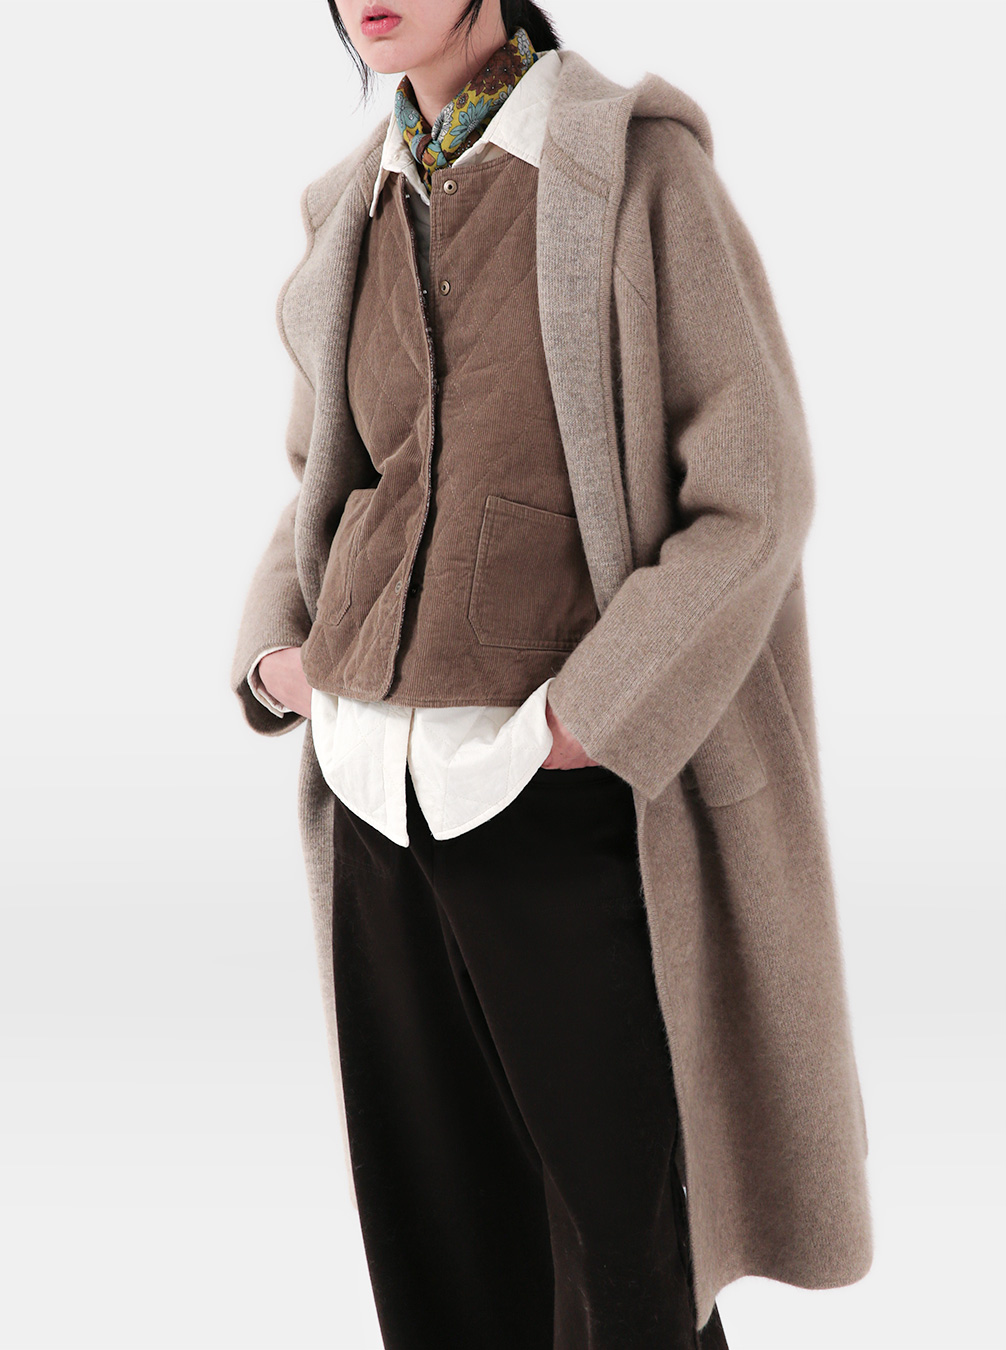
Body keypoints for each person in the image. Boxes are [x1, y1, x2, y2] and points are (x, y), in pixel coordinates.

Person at [230, 2, 874, 1347]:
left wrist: (591, 714)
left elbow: (754, 493)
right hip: (374, 801)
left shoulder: (634, 171)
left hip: (560, 794)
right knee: (439, 1248)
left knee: (627, 1263)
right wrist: (279, 656)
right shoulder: (350, 208)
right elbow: (329, 482)